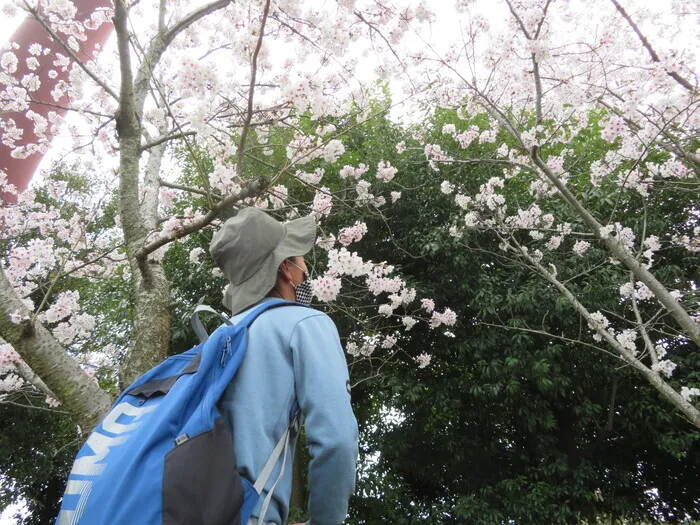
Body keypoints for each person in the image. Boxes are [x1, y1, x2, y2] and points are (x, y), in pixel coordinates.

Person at [209, 207, 359, 525]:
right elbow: (337, 441)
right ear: (285, 268)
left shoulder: (217, 338)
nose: (306, 269)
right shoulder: (304, 323)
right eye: (299, 257)